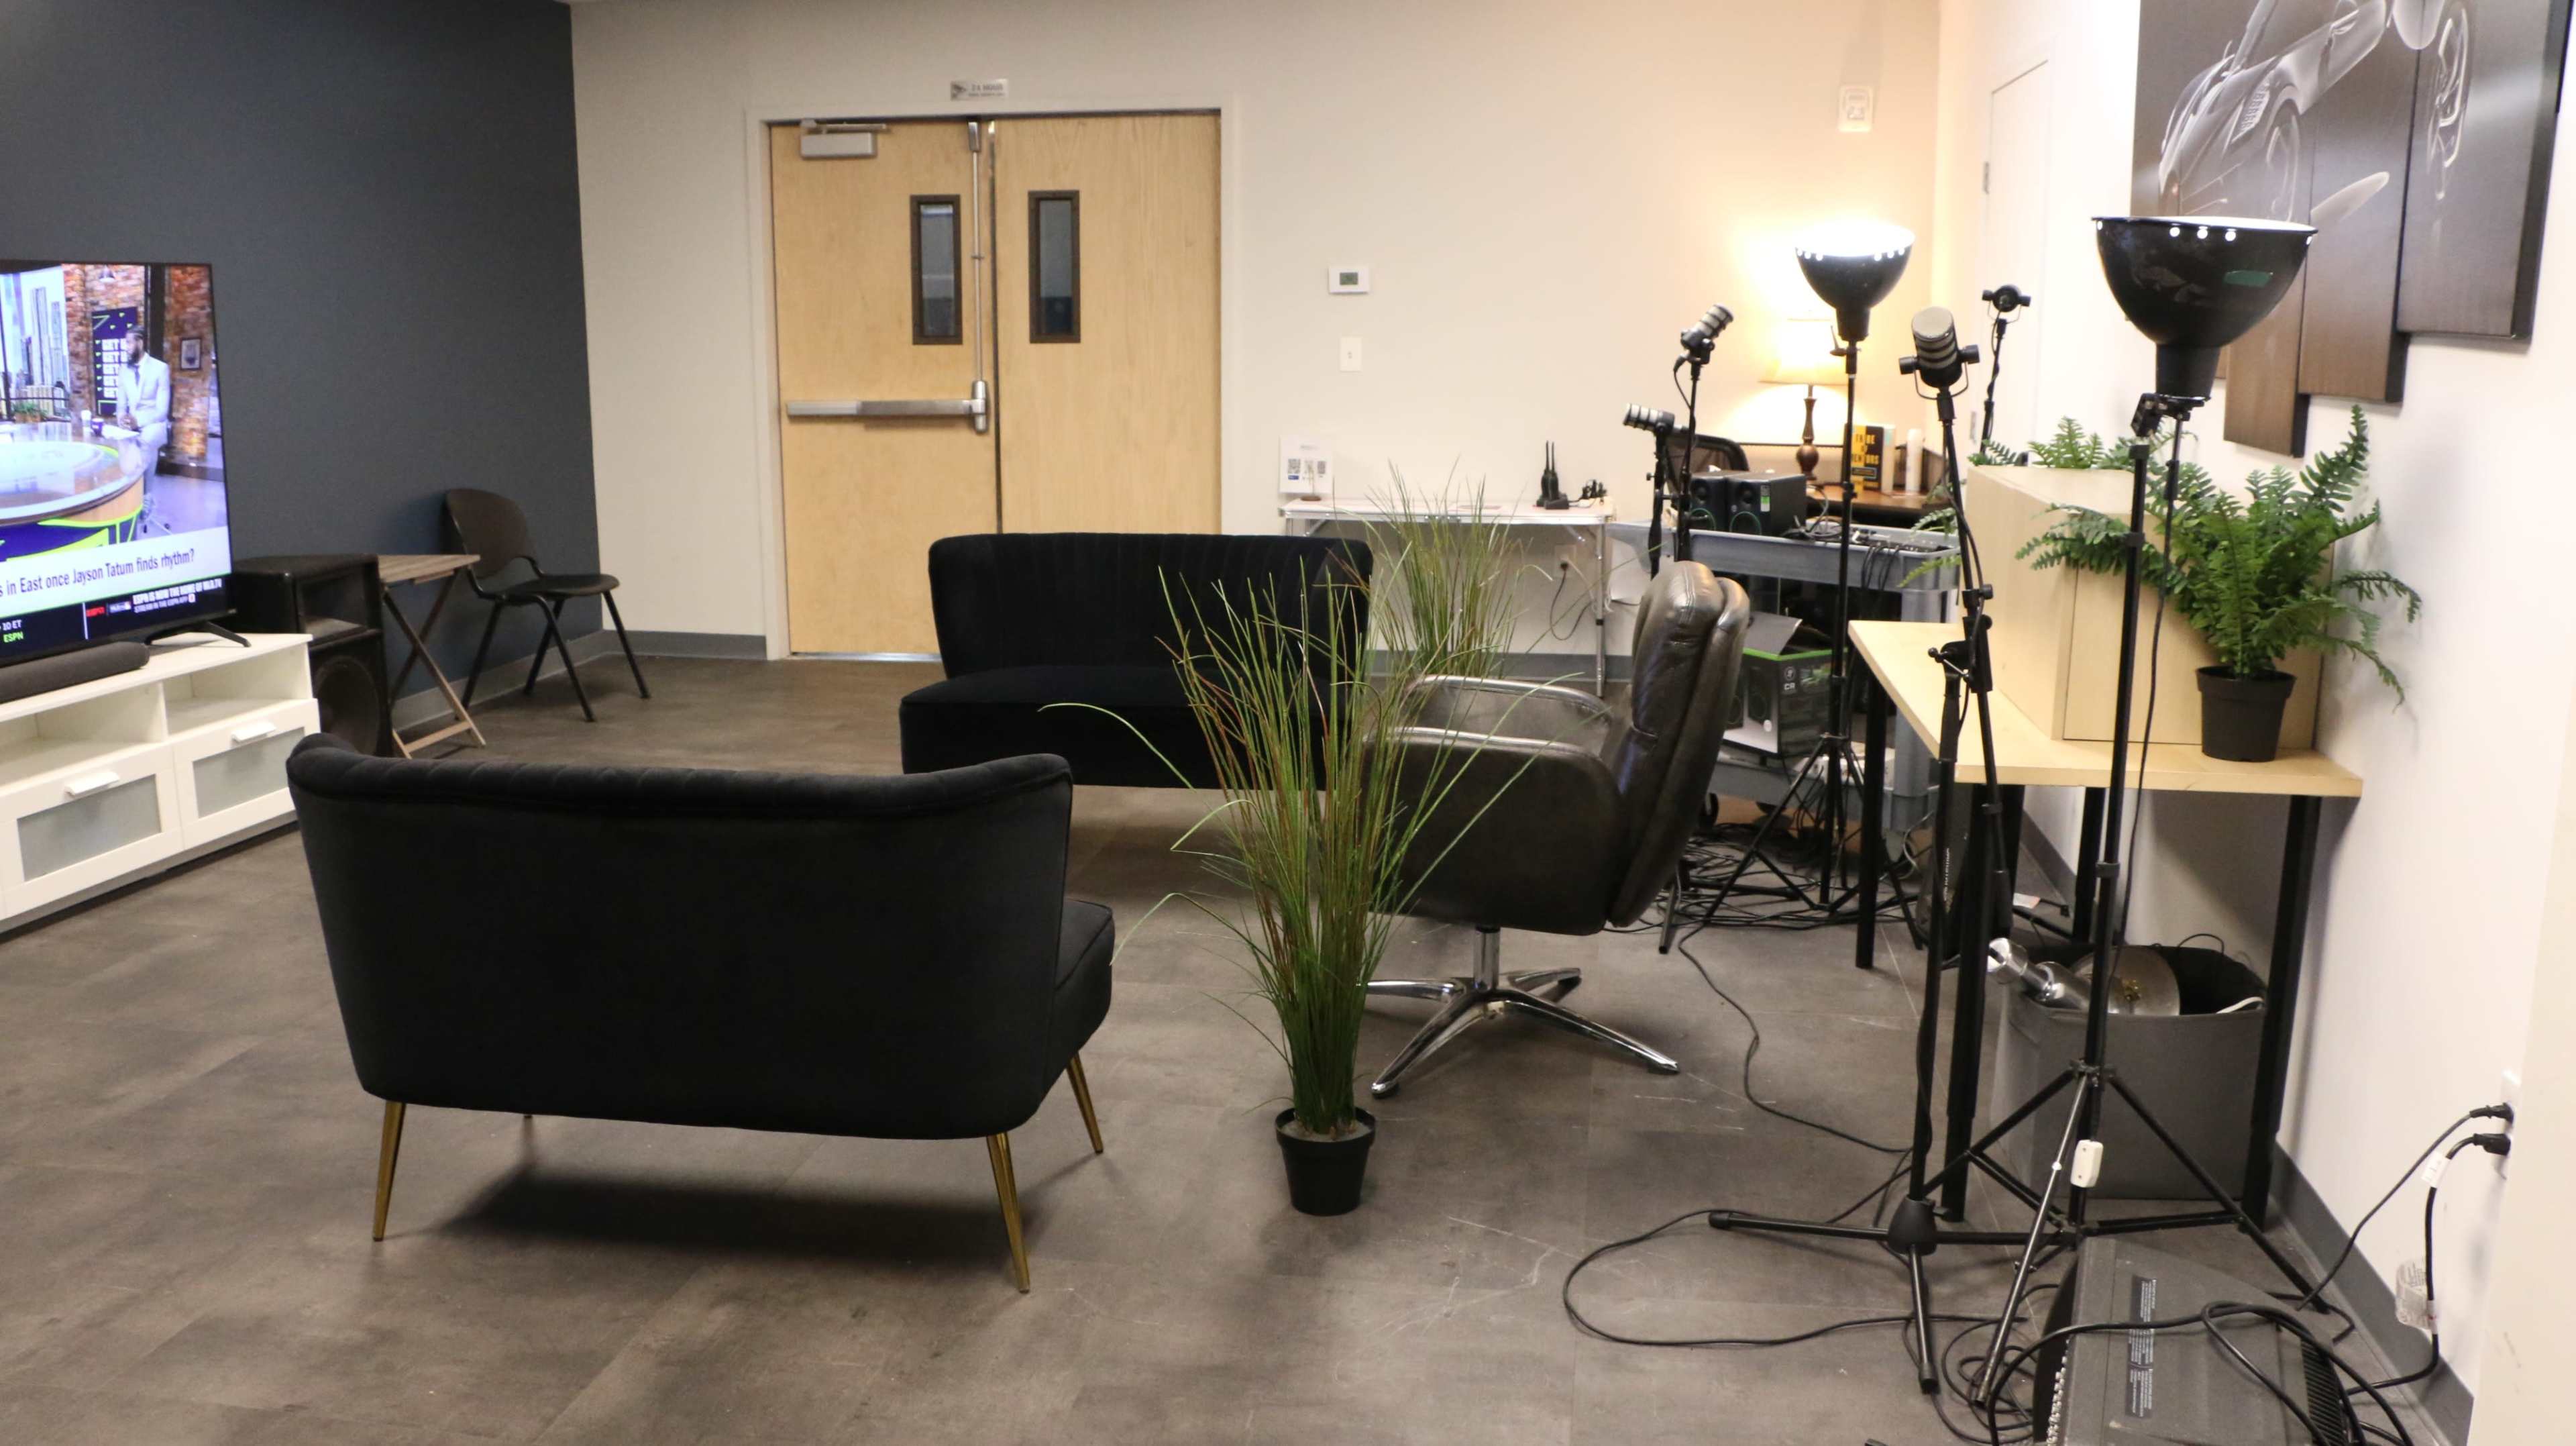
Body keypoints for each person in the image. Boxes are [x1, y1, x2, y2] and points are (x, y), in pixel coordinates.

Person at [113, 332, 171, 475]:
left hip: (154, 423)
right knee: (118, 445)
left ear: (140, 343)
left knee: (144, 444)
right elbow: (121, 405)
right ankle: (133, 490)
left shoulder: (160, 368)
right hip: (131, 424)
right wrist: (121, 419)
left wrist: (137, 422)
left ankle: (145, 493)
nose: (126, 347)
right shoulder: (124, 370)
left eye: (129, 343)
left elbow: (162, 411)